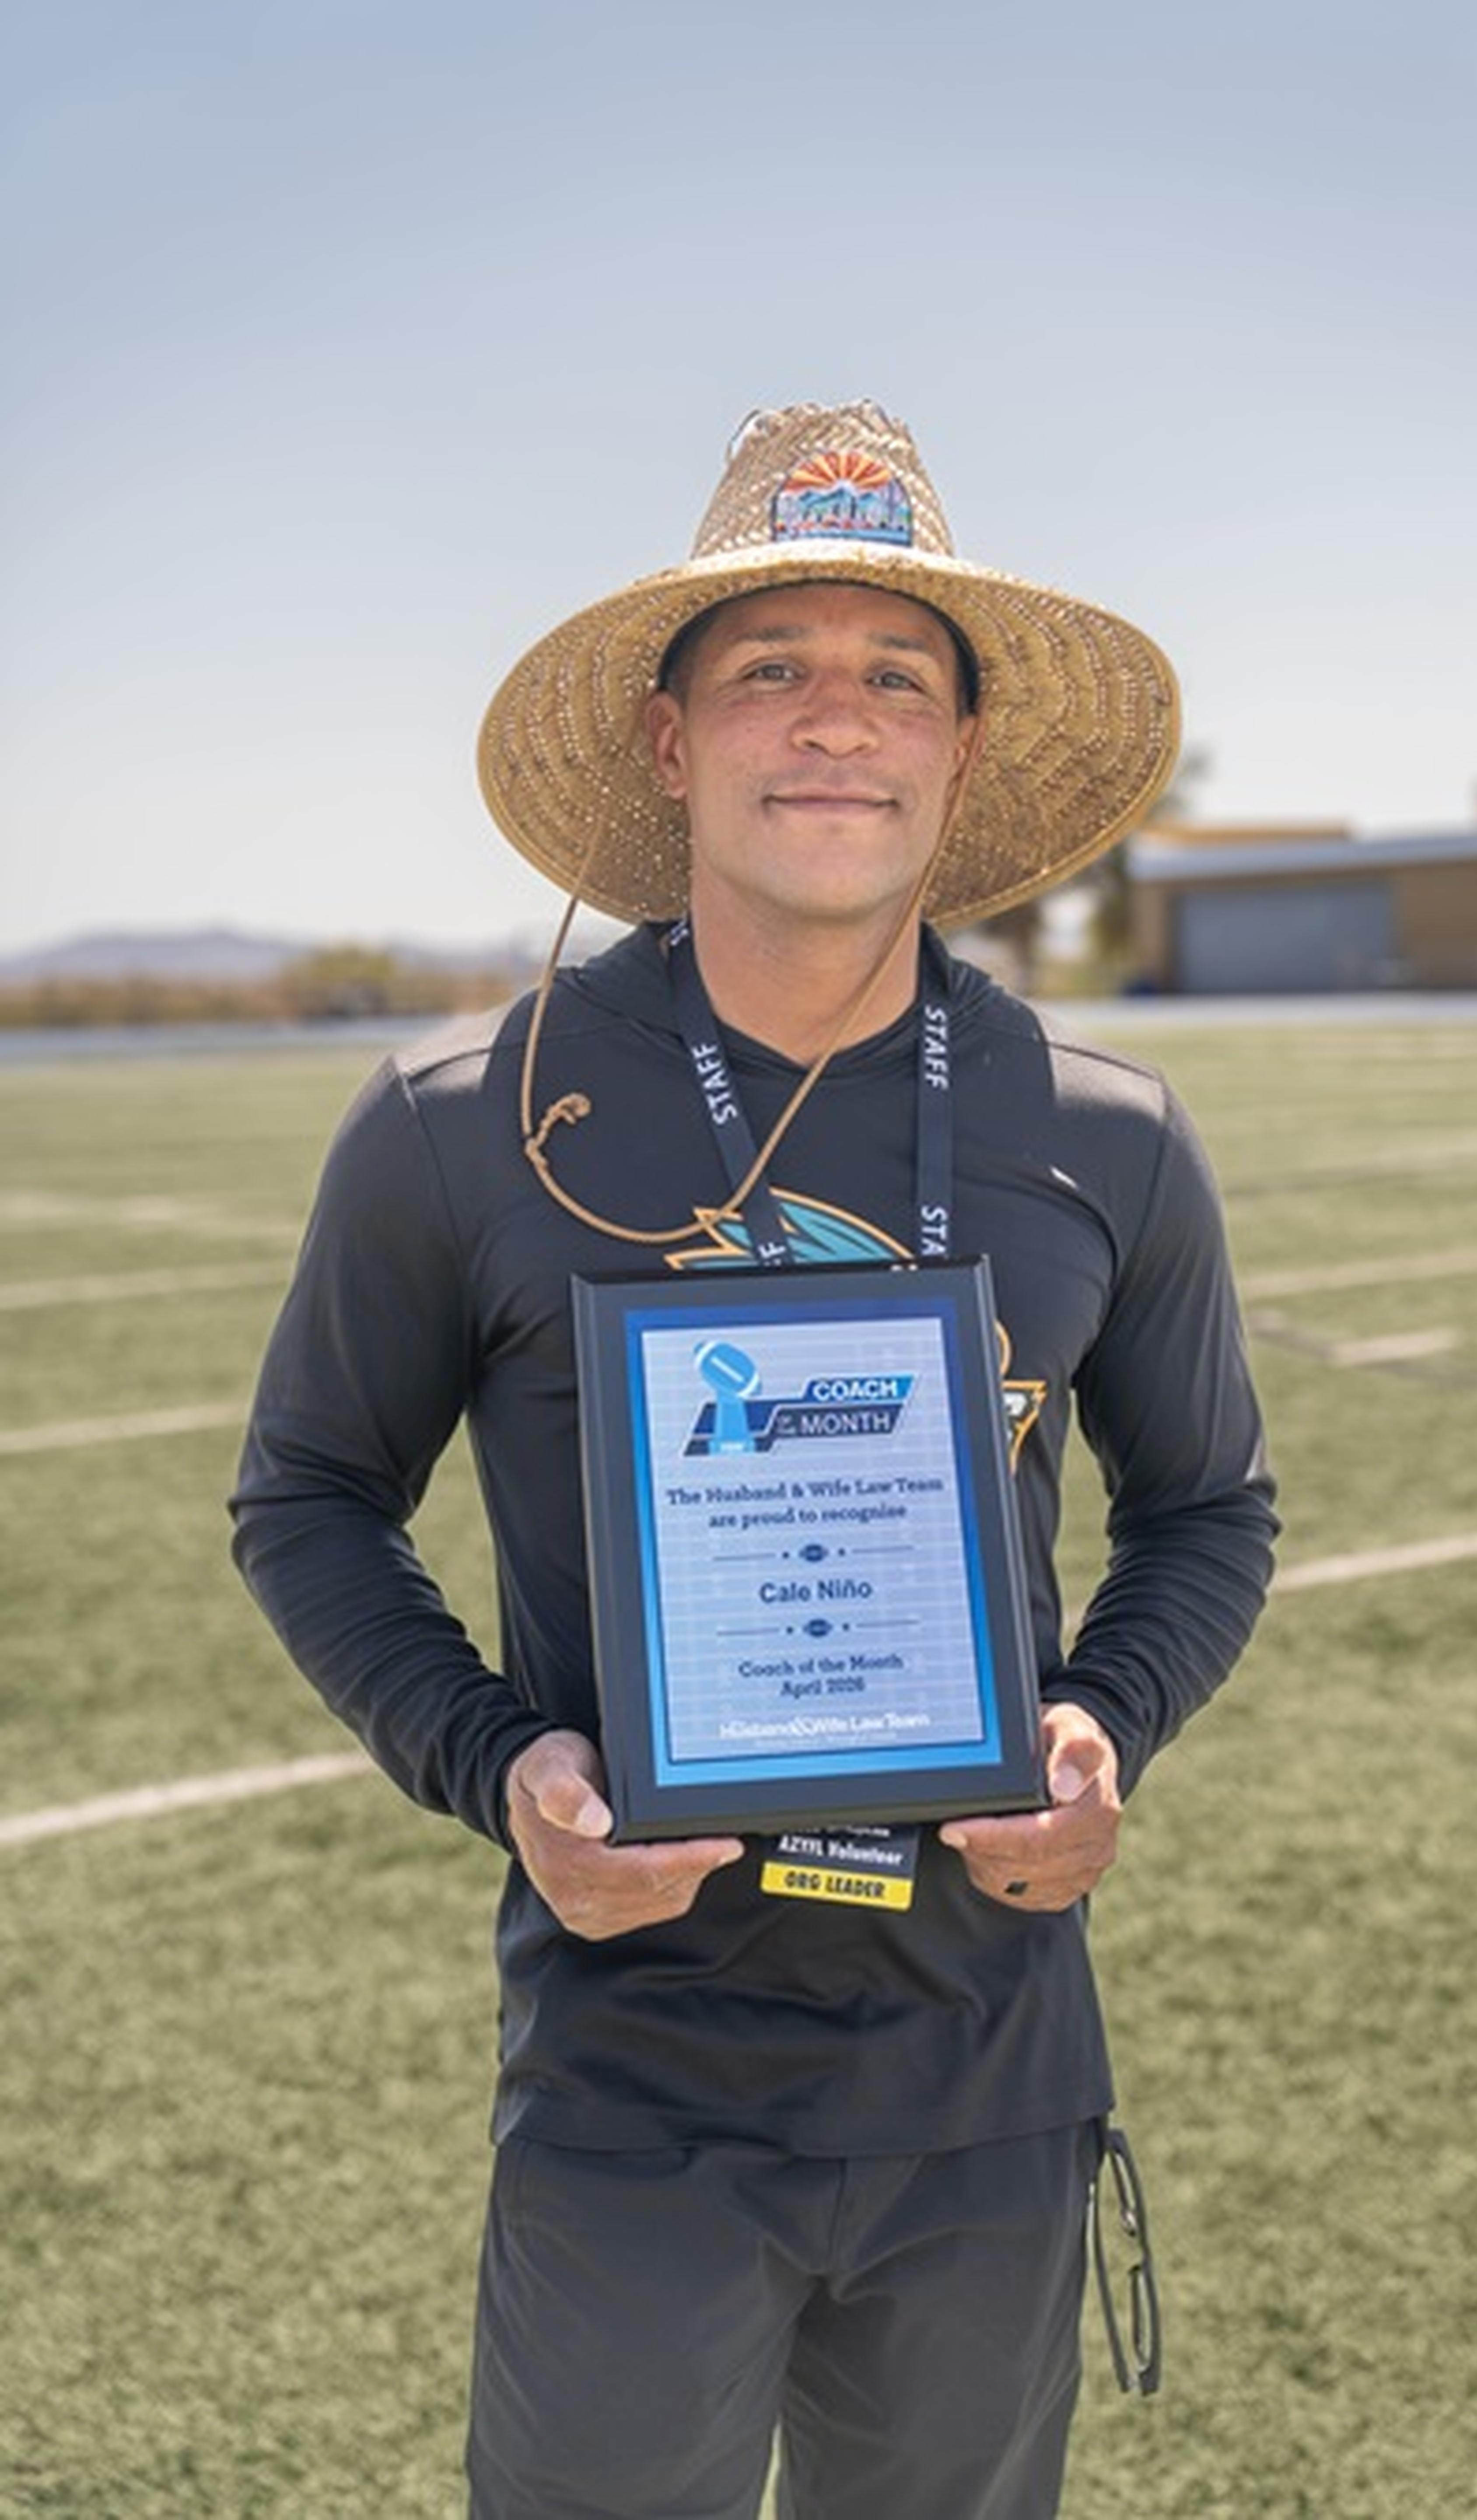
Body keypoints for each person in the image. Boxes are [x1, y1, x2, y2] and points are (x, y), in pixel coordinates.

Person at [231, 400, 1278, 2520]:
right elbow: (308, 1497)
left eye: (897, 675)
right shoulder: (465, 1117)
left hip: (987, 2075)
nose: (837, 724)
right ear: (666, 738)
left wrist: (1100, 1722)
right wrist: (497, 1759)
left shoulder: (1106, 1128)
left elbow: (1210, 1511)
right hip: (638, 2083)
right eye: (770, 670)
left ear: (963, 754)